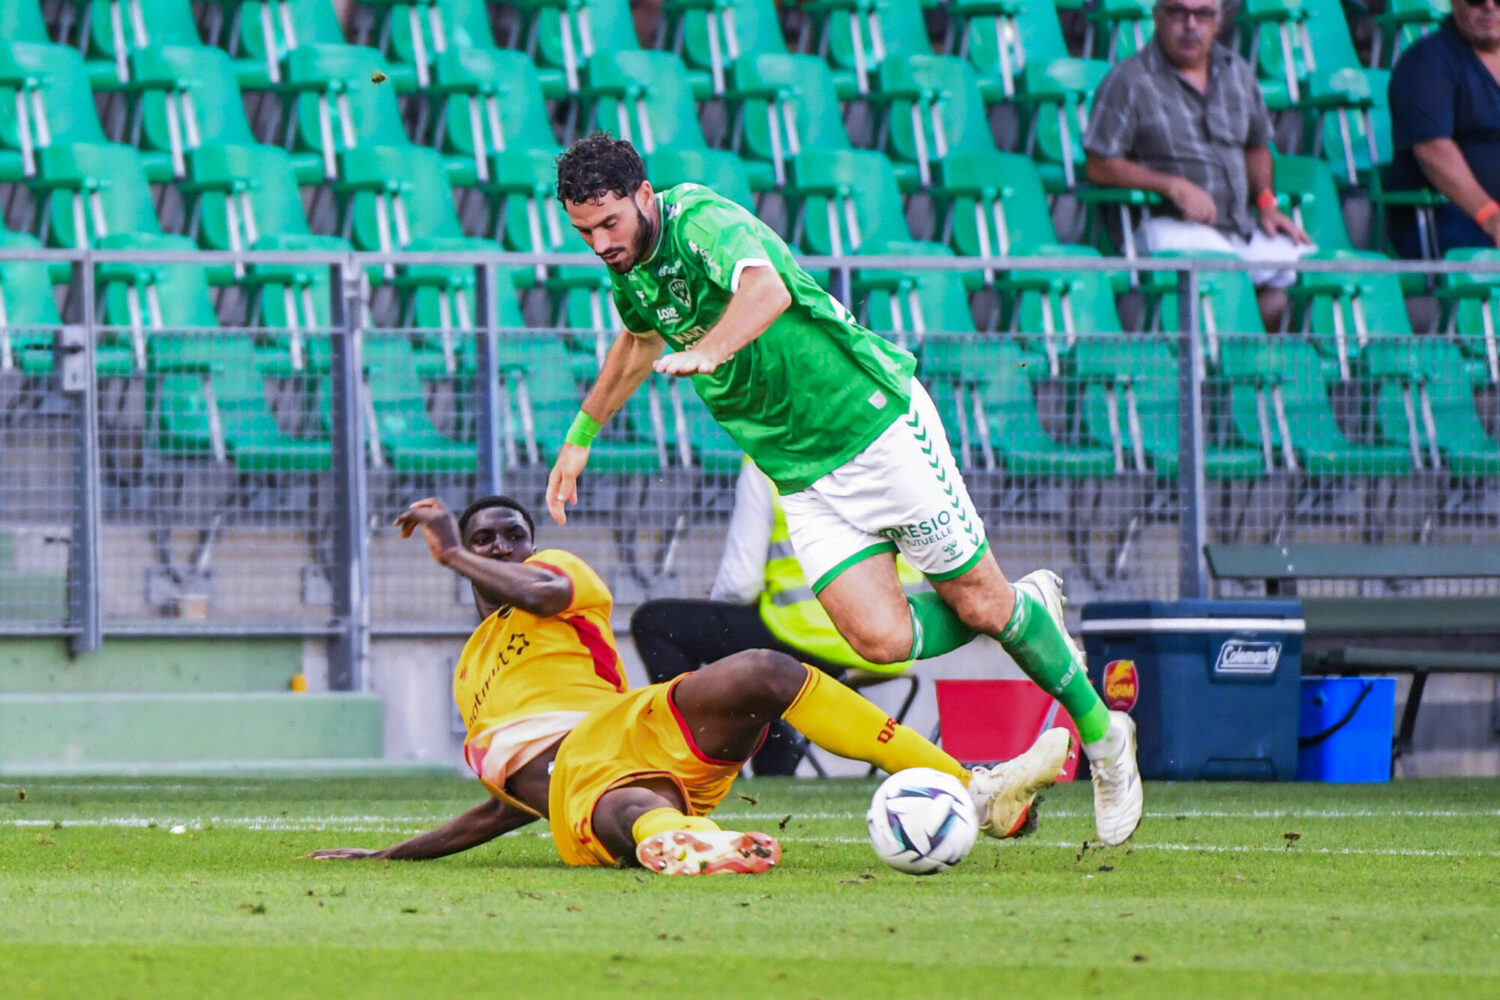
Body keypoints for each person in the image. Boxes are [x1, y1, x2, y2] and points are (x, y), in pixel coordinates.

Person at [545, 133, 1143, 846]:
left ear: (643, 196)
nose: (600, 242)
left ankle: (1107, 745)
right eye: (584, 231)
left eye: (609, 222)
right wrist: (581, 435)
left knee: (980, 601)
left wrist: (711, 349)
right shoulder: (629, 269)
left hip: (873, 428)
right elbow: (638, 340)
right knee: (878, 637)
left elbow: (762, 287)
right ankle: (1022, 610)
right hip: (799, 470)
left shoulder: (700, 220)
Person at [307, 495, 1072, 873]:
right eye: (486, 540)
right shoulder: (469, 672)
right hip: (591, 786)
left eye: (514, 535)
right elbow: (503, 805)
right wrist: (388, 858)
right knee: (633, 804)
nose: (505, 545)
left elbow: (535, 594)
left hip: (632, 726)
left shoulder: (558, 577)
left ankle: (968, 784)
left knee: (768, 670)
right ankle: (692, 844)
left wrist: (452, 553)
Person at [632, 458, 928, 776]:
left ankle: (693, 752)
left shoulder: (767, 462)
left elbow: (739, 585)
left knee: (655, 622)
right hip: (891, 642)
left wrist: (723, 601)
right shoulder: (887, 456)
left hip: (805, 636)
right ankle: (773, 752)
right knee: (757, 661)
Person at [1083, 0, 1313, 331]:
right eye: (1178, 12)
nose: (1191, 24)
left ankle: (1240, 358)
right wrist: (1171, 186)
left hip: (1238, 226)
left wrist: (1266, 202)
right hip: (1164, 223)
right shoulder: (1128, 79)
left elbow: (1257, 147)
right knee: (1225, 272)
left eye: (1203, 13)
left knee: (1315, 272)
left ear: (1218, 21)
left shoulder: (1238, 71)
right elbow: (1099, 165)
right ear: (1158, 17)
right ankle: (1225, 364)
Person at [1387, 0, 1500, 257]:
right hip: (1448, 216)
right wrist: (1490, 215)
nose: (1489, 6)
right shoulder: (1426, 62)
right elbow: (1432, 148)